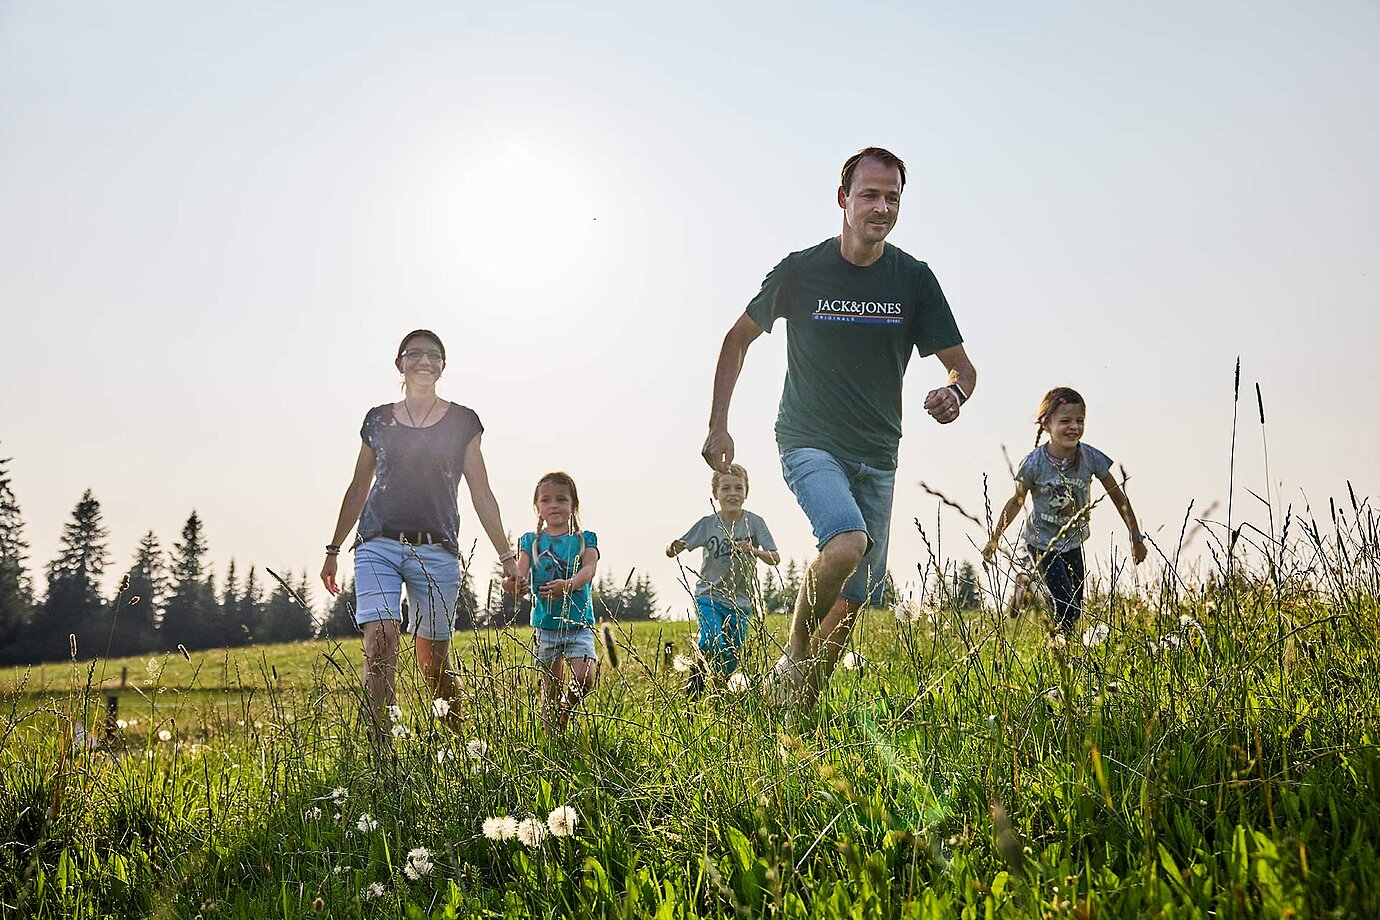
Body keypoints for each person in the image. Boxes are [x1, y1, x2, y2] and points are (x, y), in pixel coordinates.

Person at [701, 147, 977, 706]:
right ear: (842, 199)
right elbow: (737, 339)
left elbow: (962, 367)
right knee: (847, 543)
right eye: (870, 195)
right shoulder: (802, 270)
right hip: (808, 440)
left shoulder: (914, 280)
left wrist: (954, 393)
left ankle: (794, 705)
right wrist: (719, 426)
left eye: (892, 198)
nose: (881, 207)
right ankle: (795, 651)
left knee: (853, 601)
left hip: (878, 451)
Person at [321, 329, 520, 739]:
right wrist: (334, 548)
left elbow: (481, 491)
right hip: (377, 543)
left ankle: (460, 743)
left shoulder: (464, 422)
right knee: (380, 643)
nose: (424, 362)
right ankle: (383, 754)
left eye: (434, 356)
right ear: (400, 364)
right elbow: (358, 486)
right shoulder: (377, 420)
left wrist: (506, 556)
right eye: (415, 354)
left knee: (432, 663)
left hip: (437, 550)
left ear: (443, 367)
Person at [982, 387, 1147, 633]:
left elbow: (1118, 497)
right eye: (1065, 421)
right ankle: (1058, 650)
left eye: (1079, 421)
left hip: (1073, 541)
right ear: (1046, 424)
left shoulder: (1091, 458)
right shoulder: (1034, 463)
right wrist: (994, 538)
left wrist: (1136, 537)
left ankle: (1026, 584)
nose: (1074, 427)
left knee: (1076, 608)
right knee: (1065, 606)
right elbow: (1017, 501)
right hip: (1041, 543)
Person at [666, 463, 780, 695]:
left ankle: (719, 694)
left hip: (741, 602)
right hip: (709, 594)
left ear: (746, 492)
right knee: (711, 640)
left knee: (731, 656)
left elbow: (775, 558)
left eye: (738, 488)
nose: (732, 494)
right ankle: (695, 684)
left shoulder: (755, 523)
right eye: (726, 488)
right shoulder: (708, 524)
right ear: (715, 494)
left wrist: (754, 551)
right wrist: (672, 547)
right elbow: (675, 547)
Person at [517, 471, 600, 732]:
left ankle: (565, 709)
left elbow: (589, 569)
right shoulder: (530, 541)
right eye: (546, 500)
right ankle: (552, 740)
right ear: (537, 507)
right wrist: (514, 582)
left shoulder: (585, 539)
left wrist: (568, 586)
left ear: (573, 506)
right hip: (546, 625)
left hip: (579, 624)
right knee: (550, 689)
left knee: (585, 678)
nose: (554, 505)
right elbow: (520, 571)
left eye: (562, 499)